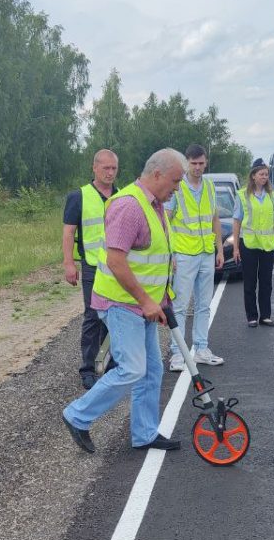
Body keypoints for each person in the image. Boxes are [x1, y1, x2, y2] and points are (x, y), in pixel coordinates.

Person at [61, 148, 187, 454]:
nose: (177, 188)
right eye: (175, 180)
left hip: (141, 305)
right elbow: (116, 261)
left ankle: (144, 433)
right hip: (120, 303)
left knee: (151, 370)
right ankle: (77, 415)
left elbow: (153, 259)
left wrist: (162, 297)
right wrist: (146, 301)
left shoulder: (154, 204)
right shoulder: (130, 206)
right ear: (157, 175)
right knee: (131, 368)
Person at [164, 143, 225, 372]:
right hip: (184, 255)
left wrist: (219, 249)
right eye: (193, 163)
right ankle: (178, 353)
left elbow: (214, 219)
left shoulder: (209, 187)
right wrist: (170, 255)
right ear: (186, 163)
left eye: (201, 163)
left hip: (206, 253)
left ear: (205, 162)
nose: (198, 167)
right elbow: (166, 221)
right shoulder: (178, 188)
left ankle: (201, 348)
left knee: (203, 305)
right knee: (179, 306)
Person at [62, 148, 119, 389]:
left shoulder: (123, 195)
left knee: (116, 316)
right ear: (94, 168)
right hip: (93, 266)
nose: (110, 173)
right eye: (105, 168)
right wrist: (68, 263)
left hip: (118, 267)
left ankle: (109, 363)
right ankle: (88, 368)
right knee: (93, 316)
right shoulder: (80, 196)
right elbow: (68, 232)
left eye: (114, 168)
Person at [232, 158, 274, 327]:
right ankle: (252, 317)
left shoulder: (271, 196)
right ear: (253, 176)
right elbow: (237, 221)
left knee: (266, 282)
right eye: (261, 174)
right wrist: (236, 248)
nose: (264, 177)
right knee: (250, 282)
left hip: (268, 244)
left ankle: (265, 316)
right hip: (249, 244)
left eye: (266, 174)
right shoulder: (242, 195)